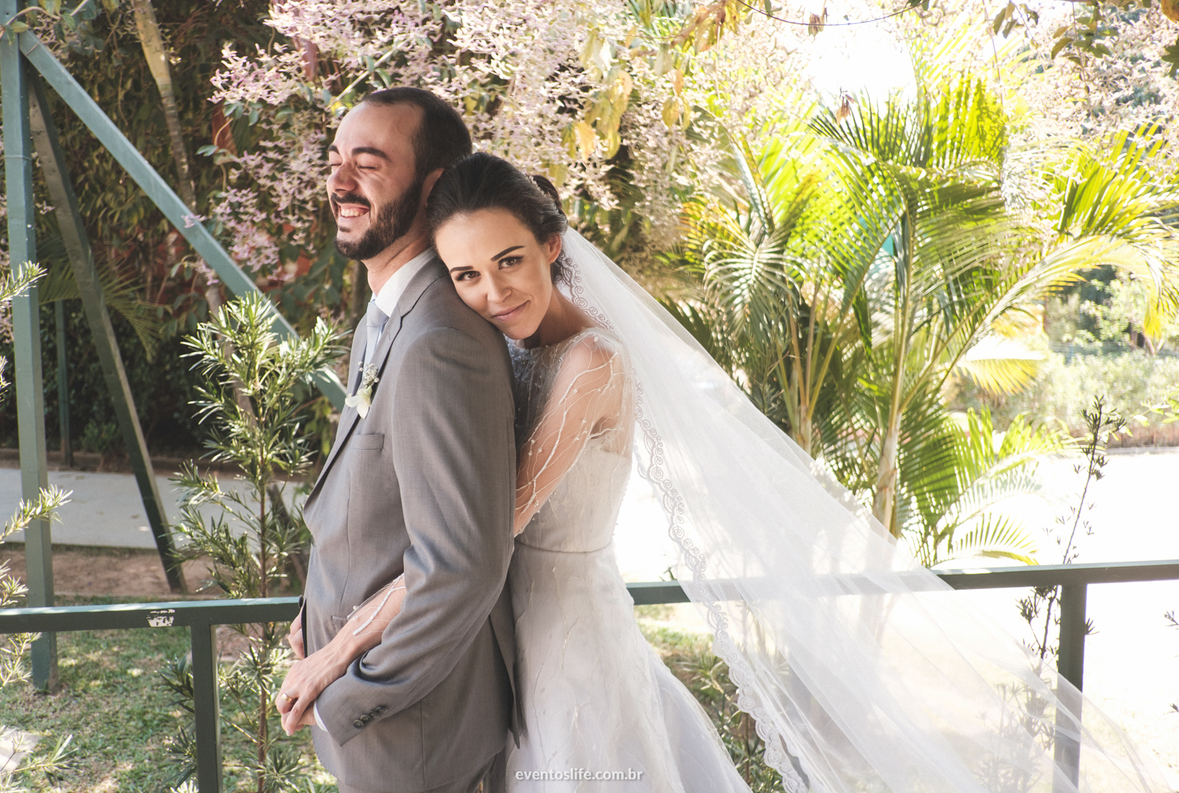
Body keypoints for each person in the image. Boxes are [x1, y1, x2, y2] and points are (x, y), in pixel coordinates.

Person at [282, 147, 1170, 791]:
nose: (492, 293)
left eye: (510, 261)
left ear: (553, 246)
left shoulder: (592, 365)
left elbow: (475, 539)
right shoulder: (504, 347)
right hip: (505, 635)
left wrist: (336, 655)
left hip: (565, 635)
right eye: (466, 275)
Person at [285, 92, 519, 793]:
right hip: (366, 720)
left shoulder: (441, 341)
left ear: (435, 185)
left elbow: (459, 567)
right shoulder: (387, 316)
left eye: (369, 164)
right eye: (335, 162)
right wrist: (312, 618)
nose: (339, 183)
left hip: (411, 738)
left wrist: (349, 696)